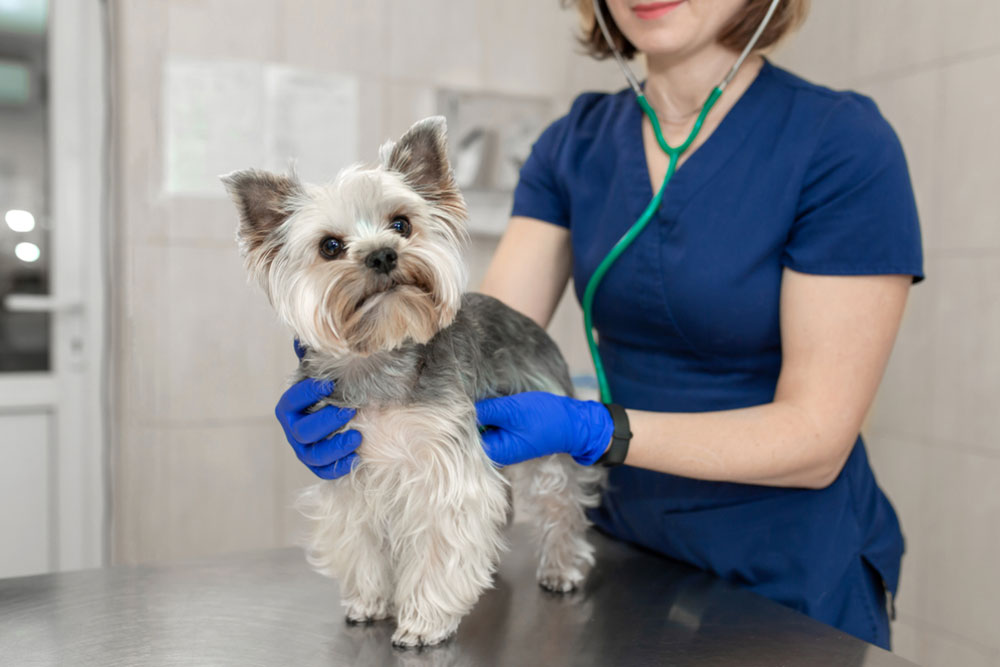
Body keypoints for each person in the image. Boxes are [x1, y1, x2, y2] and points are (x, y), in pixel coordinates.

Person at [274, 0, 924, 650]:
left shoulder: (843, 144)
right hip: (626, 553)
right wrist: (352, 354)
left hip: (785, 572)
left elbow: (817, 440)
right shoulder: (573, 143)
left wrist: (594, 426)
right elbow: (488, 334)